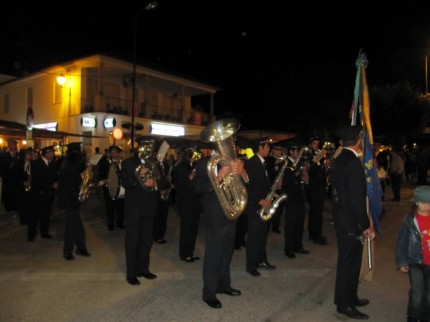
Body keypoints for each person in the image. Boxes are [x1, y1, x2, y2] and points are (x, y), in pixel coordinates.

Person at [193, 143, 248, 309]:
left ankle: (224, 285)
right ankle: (208, 293)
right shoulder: (206, 162)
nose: (231, 144)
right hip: (215, 216)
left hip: (232, 213)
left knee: (227, 252)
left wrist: (243, 173)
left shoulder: (235, 161)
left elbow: (245, 183)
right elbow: (196, 187)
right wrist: (217, 178)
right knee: (214, 255)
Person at [331, 125, 375, 320]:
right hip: (351, 221)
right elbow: (356, 199)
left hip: (343, 218)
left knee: (352, 261)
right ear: (358, 141)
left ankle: (350, 296)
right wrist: (365, 225)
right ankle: (344, 304)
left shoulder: (340, 159)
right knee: (348, 263)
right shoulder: (353, 163)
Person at [120, 136, 170, 285]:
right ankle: (131, 273)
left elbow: (165, 183)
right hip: (134, 208)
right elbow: (125, 182)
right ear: (140, 147)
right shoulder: (128, 163)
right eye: (147, 146)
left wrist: (154, 181)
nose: (150, 149)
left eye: (152, 147)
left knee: (147, 240)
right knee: (132, 241)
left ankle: (143, 269)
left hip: (149, 207)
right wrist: (139, 178)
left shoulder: (156, 163)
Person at [396, 186, 430, 322]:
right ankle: (413, 317)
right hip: (415, 261)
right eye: (424, 203)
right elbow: (402, 242)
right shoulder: (409, 221)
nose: (427, 206)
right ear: (416, 202)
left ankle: (426, 317)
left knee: (428, 295)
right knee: (417, 293)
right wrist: (402, 261)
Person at [244, 137, 276, 277]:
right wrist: (259, 201)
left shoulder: (263, 162)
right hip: (255, 206)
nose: (269, 149)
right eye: (267, 147)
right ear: (260, 148)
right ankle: (251, 266)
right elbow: (245, 188)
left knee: (263, 235)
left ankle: (262, 260)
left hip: (264, 206)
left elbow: (262, 183)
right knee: (253, 237)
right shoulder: (251, 163)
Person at [58, 142, 91, 260]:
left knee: (78, 226)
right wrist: (81, 180)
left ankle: (81, 248)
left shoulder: (70, 162)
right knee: (71, 226)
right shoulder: (70, 164)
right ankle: (68, 251)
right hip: (70, 198)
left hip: (71, 199)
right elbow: (69, 182)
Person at [172, 146, 201, 262]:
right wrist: (191, 177)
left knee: (194, 229)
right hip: (185, 203)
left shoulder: (193, 165)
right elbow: (182, 186)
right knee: (186, 229)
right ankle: (184, 254)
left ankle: (191, 252)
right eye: (192, 154)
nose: (194, 156)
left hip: (195, 202)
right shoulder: (180, 167)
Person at [282, 142, 310, 259]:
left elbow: (304, 181)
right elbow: (287, 181)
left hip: (300, 197)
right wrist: (298, 171)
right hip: (290, 198)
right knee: (290, 225)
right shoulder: (286, 163)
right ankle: (289, 249)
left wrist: (305, 176)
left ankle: (298, 245)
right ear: (291, 152)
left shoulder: (298, 163)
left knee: (299, 224)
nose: (299, 153)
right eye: (297, 151)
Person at [28, 146, 58, 241]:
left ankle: (44, 232)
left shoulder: (52, 163)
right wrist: (50, 185)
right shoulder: (37, 163)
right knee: (34, 215)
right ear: (46, 153)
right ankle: (31, 235)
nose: (53, 154)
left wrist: (56, 182)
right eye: (51, 152)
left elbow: (55, 176)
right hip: (38, 194)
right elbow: (37, 179)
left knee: (46, 215)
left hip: (48, 194)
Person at [305, 136, 328, 245]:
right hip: (313, 187)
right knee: (316, 211)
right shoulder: (308, 154)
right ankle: (315, 234)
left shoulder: (320, 155)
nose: (316, 146)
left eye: (318, 144)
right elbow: (310, 170)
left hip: (320, 186)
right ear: (310, 144)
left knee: (318, 210)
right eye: (314, 143)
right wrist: (318, 161)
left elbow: (322, 171)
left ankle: (314, 232)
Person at [97, 145, 125, 231]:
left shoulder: (122, 163)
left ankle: (120, 223)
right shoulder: (105, 163)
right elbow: (100, 174)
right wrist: (104, 180)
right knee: (110, 207)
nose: (114, 154)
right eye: (112, 152)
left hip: (120, 189)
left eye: (116, 152)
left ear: (118, 153)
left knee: (120, 207)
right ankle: (111, 224)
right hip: (109, 188)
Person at [265, 145, 285, 233]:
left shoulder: (282, 161)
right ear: (272, 150)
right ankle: (267, 224)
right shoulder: (268, 159)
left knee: (279, 208)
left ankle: (275, 226)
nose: (278, 152)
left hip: (280, 187)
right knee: (269, 207)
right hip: (271, 187)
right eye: (277, 150)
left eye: (280, 150)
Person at [13, 147, 33, 226]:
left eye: (30, 154)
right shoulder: (18, 164)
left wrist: (30, 182)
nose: (30, 156)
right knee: (22, 204)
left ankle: (28, 219)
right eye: (28, 154)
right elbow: (15, 175)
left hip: (30, 187)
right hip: (20, 188)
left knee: (29, 204)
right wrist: (22, 182)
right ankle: (23, 219)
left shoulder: (32, 164)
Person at [0, 139, 20, 212]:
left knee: (15, 193)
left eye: (14, 144)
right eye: (11, 144)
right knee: (8, 193)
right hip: (8, 178)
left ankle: (15, 206)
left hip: (17, 179)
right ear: (8, 145)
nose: (13, 146)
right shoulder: (3, 155)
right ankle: (8, 207)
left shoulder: (19, 154)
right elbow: (3, 166)